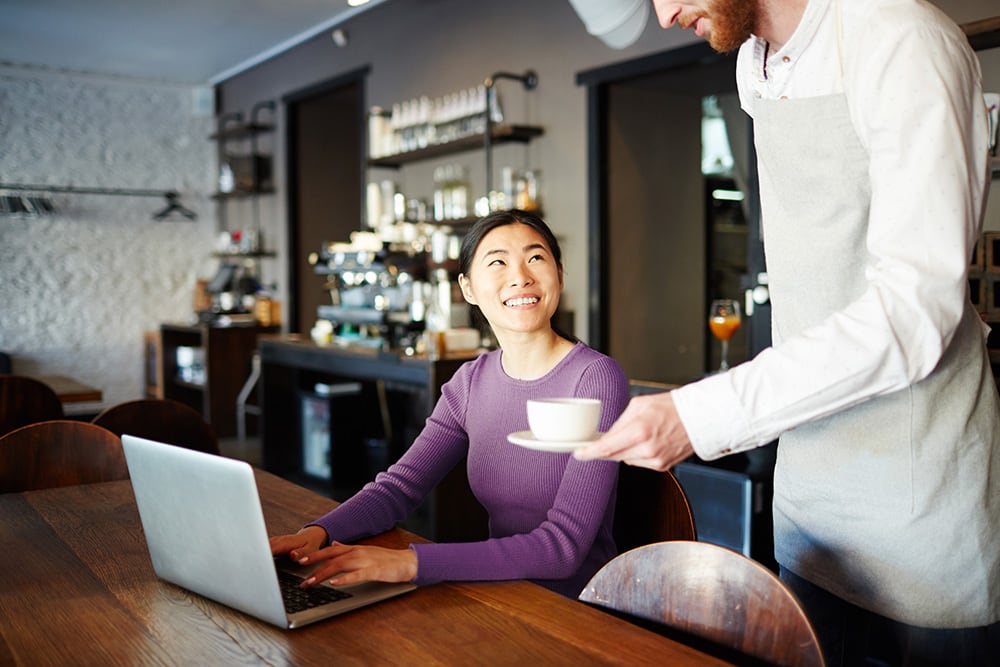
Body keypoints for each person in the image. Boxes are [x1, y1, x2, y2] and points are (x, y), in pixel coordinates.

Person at [576, 0, 1000, 663]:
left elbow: (914, 312)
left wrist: (700, 413)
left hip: (921, 517)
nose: (661, 15)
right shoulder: (754, 65)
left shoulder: (901, 39)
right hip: (809, 516)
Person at [271, 209, 629, 598]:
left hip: (578, 611)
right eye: (497, 262)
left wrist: (410, 563)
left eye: (536, 258)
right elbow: (399, 488)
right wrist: (318, 533)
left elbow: (563, 548)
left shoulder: (595, 378)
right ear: (468, 288)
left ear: (559, 274)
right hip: (498, 594)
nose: (520, 276)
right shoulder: (470, 382)